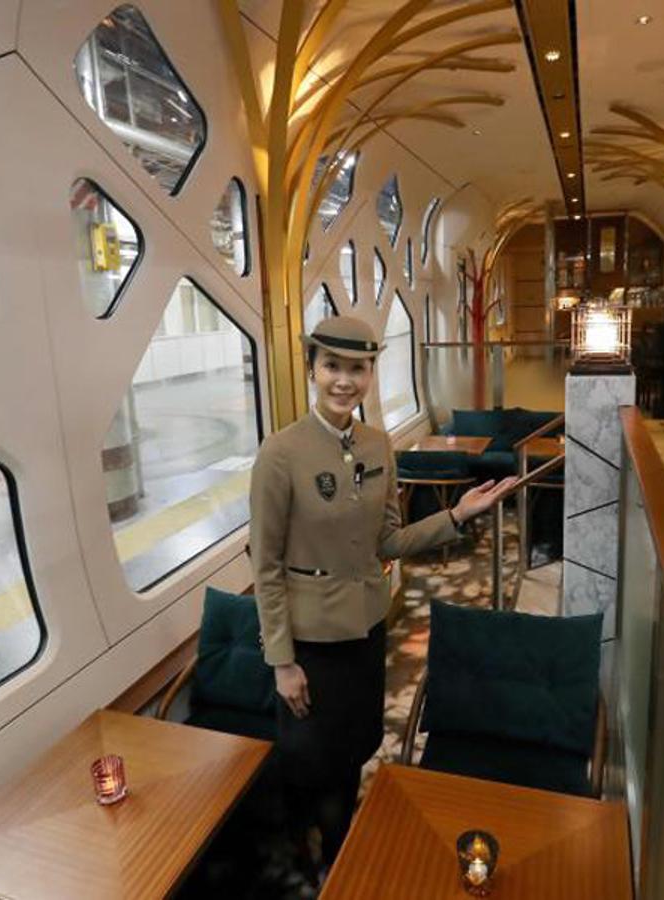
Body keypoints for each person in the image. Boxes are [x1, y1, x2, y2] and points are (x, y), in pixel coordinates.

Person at [248, 316, 518, 877]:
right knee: (309, 762)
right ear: (312, 370)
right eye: (332, 366)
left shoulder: (377, 444)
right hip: (309, 644)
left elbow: (389, 542)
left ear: (371, 373)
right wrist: (282, 662)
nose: (344, 380)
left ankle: (341, 857)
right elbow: (266, 566)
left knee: (354, 749)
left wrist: (456, 515)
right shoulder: (280, 453)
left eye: (358, 368)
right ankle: (307, 864)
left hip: (368, 631)